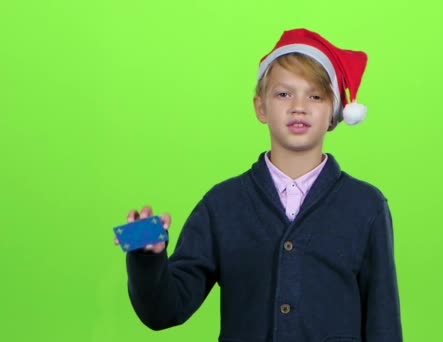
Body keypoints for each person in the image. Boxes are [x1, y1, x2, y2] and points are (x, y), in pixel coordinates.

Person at [118, 28, 403, 341]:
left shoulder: (366, 206)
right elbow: (164, 311)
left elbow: (383, 322)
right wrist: (147, 257)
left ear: (334, 114)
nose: (299, 106)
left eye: (316, 95)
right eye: (284, 94)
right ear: (261, 107)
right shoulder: (222, 204)